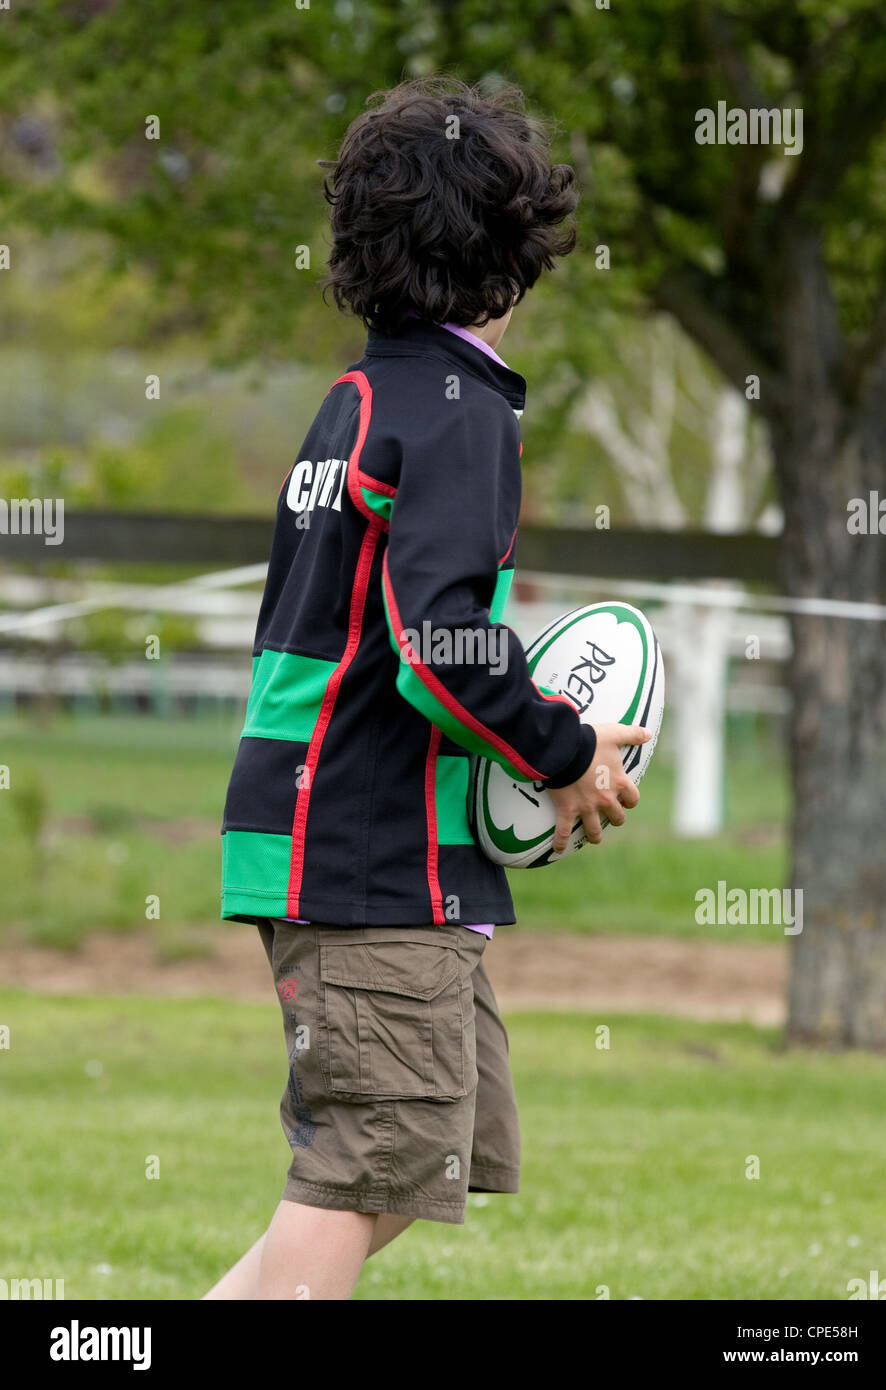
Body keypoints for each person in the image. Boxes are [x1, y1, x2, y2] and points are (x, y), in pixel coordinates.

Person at [205, 76, 649, 1301]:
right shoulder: (459, 418)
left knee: (419, 1153)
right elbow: (435, 642)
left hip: (341, 839)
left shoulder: (358, 401)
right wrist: (559, 750)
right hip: (360, 854)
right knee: (362, 1166)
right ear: (516, 255)